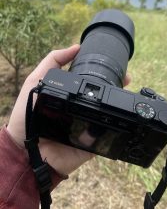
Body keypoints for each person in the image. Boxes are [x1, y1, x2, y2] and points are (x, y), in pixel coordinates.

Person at [0, 45, 130, 209]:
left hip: (55, 125)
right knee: (98, 120)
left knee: (95, 123)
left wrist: (13, 153)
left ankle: (89, 131)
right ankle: (89, 131)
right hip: (57, 126)